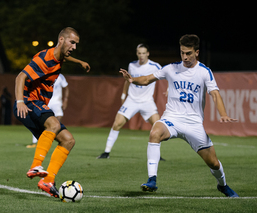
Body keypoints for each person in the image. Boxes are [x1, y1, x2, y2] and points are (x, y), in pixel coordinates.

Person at [120, 34, 239, 197]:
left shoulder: (204, 71)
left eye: (188, 53)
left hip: (193, 123)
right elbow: (148, 79)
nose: (184, 56)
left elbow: (215, 94)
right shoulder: (171, 68)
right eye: (182, 52)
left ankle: (223, 185)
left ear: (197, 52)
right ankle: (152, 180)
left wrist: (223, 114)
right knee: (155, 132)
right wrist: (132, 79)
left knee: (214, 163)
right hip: (172, 119)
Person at [14, 27, 90, 198]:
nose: (75, 47)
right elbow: (20, 77)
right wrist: (20, 101)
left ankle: (47, 180)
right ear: (61, 40)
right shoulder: (44, 59)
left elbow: (66, 57)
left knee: (68, 140)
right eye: (72, 42)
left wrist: (79, 62)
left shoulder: (59, 56)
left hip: (37, 103)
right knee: (54, 124)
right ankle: (35, 165)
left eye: (76, 44)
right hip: (28, 101)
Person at [97, 44, 162, 159]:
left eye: (143, 53)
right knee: (117, 123)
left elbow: (167, 76)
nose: (141, 56)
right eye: (139, 53)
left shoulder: (155, 66)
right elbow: (128, 80)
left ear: (148, 54)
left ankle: (156, 155)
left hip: (147, 101)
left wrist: (168, 89)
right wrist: (123, 94)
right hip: (131, 100)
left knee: (158, 127)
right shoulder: (132, 65)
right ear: (137, 53)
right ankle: (106, 152)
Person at [28, 73, 69, 148]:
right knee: (38, 120)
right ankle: (35, 142)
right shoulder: (44, 74)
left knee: (58, 120)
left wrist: (65, 100)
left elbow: (66, 87)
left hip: (57, 102)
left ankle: (55, 139)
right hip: (46, 101)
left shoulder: (60, 76)